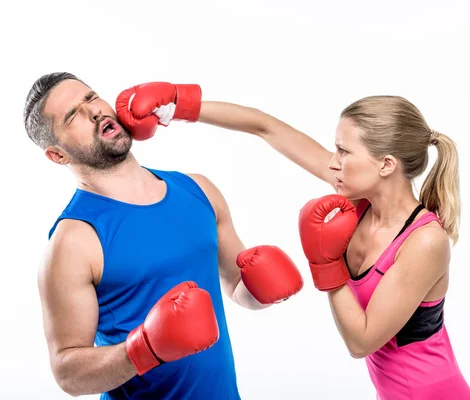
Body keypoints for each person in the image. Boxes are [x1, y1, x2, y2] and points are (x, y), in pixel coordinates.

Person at [116, 82, 470, 399]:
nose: (332, 162)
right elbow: (265, 127)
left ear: (385, 165)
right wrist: (179, 104)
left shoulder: (425, 241)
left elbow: (362, 341)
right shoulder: (357, 196)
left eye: (344, 152)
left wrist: (327, 264)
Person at [23, 73, 304, 400]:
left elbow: (236, 287)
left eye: (91, 98)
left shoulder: (199, 190)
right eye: (73, 115)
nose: (94, 112)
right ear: (58, 155)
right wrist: (145, 348)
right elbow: (68, 372)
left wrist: (261, 289)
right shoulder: (74, 239)